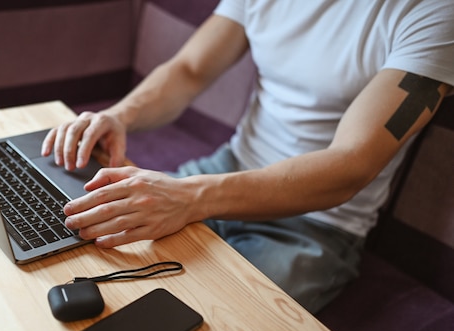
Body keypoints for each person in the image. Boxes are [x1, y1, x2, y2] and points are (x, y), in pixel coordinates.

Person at [41, 1, 454, 313]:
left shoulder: (436, 15)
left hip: (315, 225)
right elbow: (189, 69)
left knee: (187, 320)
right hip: (223, 169)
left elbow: (351, 164)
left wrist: (189, 197)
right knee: (78, 247)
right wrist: (119, 116)